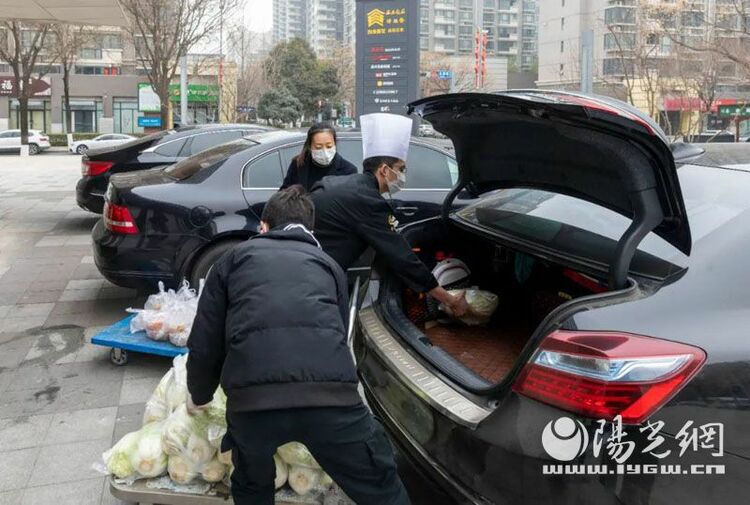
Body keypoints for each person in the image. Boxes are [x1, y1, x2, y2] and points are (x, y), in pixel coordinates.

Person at [186, 185, 411, 505]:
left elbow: (206, 339)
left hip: (253, 405)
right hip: (331, 404)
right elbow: (338, 332)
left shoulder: (232, 259)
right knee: (380, 486)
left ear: (263, 226)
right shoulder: (328, 264)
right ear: (311, 228)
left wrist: (200, 393)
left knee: (251, 484)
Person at [311, 113, 468, 317]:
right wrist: (448, 299)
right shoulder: (367, 201)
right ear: (384, 170)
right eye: (401, 169)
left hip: (305, 267)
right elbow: (401, 256)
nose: (403, 176)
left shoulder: (344, 184)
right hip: (316, 280)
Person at [280, 123, 357, 191]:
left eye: (329, 146)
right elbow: (284, 194)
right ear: (310, 146)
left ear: (335, 144)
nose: (325, 151)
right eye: (318, 147)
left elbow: (350, 203)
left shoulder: (348, 170)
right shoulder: (298, 164)